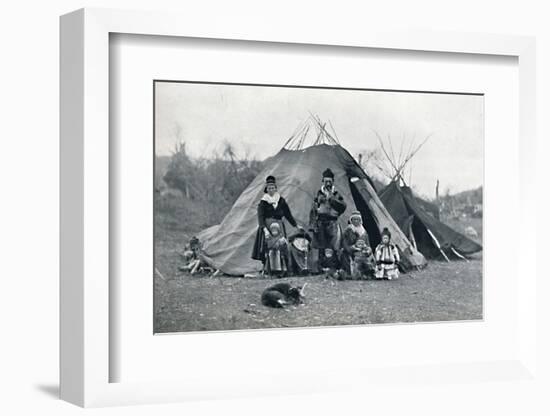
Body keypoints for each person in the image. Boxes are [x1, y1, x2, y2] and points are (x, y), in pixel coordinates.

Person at [251, 175, 301, 271]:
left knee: (281, 245)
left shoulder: (281, 200)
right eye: (269, 188)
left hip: (279, 226)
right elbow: (260, 217)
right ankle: (269, 269)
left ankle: (282, 269)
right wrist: (264, 229)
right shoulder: (263, 202)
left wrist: (295, 225)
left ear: (276, 188)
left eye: (273, 188)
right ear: (266, 189)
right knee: (269, 247)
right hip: (268, 227)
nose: (271, 190)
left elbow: (288, 214)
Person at [309, 168, 347, 268]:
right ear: (323, 181)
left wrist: (332, 200)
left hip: (332, 222)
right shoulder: (318, 194)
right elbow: (313, 210)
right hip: (321, 222)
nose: (328, 183)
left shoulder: (337, 194)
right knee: (321, 245)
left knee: (334, 244)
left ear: (333, 182)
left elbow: (343, 207)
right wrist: (313, 224)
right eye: (326, 181)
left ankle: (333, 266)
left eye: (330, 181)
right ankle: (322, 266)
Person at [341, 211, 375, 279]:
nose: (356, 221)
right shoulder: (348, 231)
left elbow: (368, 244)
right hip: (351, 252)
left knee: (368, 260)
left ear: (360, 220)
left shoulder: (364, 232)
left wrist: (368, 250)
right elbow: (344, 243)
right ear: (351, 220)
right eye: (354, 219)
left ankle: (367, 272)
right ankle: (351, 273)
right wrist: (352, 248)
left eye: (357, 219)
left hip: (362, 252)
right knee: (345, 255)